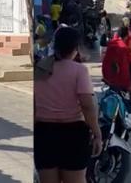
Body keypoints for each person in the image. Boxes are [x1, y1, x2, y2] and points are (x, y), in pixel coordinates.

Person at [34, 27, 102, 183]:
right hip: (73, 135)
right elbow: (87, 105)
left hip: (44, 134)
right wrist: (97, 133)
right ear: (75, 48)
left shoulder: (40, 68)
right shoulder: (79, 71)